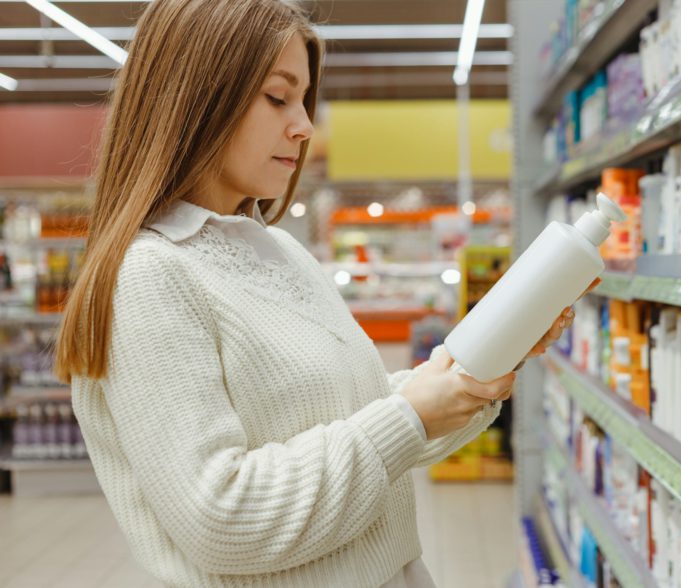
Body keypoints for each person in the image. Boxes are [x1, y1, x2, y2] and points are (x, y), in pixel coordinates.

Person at [55, 1, 581, 586]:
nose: (305, 126)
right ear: (196, 99)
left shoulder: (280, 252)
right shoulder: (150, 278)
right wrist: (409, 418)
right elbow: (223, 516)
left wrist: (483, 358)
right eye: (278, 98)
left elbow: (357, 416)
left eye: (305, 100)